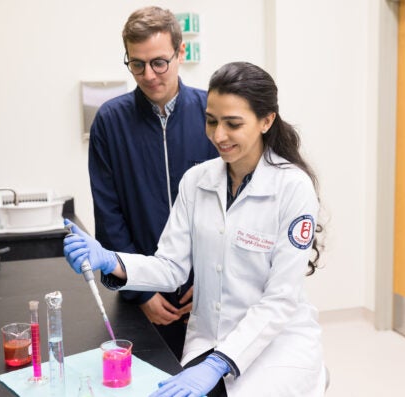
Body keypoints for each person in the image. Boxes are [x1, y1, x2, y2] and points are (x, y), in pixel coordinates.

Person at [66, 62, 326, 396]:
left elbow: (280, 300)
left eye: (233, 124)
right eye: (211, 120)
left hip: (277, 348)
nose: (218, 135)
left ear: (266, 120)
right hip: (209, 340)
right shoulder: (197, 180)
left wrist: (219, 364)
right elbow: (172, 267)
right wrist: (111, 260)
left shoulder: (292, 187)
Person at [88, 6, 218, 359]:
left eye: (159, 62)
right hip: (140, 298)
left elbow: (235, 205)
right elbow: (108, 213)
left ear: (180, 53)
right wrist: (141, 292)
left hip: (209, 298)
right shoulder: (110, 122)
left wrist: (213, 282)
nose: (148, 75)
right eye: (137, 64)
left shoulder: (212, 115)